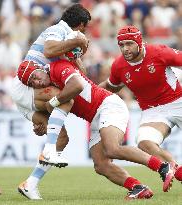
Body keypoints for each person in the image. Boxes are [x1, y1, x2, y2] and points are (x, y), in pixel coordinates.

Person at [14, 58, 177, 200]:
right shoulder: (49, 84)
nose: (36, 83)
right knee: (101, 165)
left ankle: (162, 166)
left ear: (40, 68)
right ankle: (137, 188)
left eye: (35, 77)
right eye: (31, 83)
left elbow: (76, 85)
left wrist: (53, 103)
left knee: (112, 149)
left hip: (108, 105)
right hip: (94, 117)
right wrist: (42, 125)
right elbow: (55, 111)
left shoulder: (58, 67)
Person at [11, 3, 91, 199]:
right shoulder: (57, 30)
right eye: (85, 28)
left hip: (34, 92)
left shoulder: (69, 38)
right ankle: (48, 150)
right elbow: (48, 50)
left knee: (61, 139)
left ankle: (30, 184)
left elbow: (81, 75)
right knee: (66, 99)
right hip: (27, 87)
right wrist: (77, 42)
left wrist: (78, 51)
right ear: (81, 24)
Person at [99, 25, 182, 182]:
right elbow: (110, 86)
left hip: (178, 102)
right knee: (144, 143)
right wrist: (86, 94)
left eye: (129, 44)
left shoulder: (159, 52)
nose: (125, 49)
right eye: (121, 45)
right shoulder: (118, 66)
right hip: (152, 111)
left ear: (139, 42)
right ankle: (175, 169)